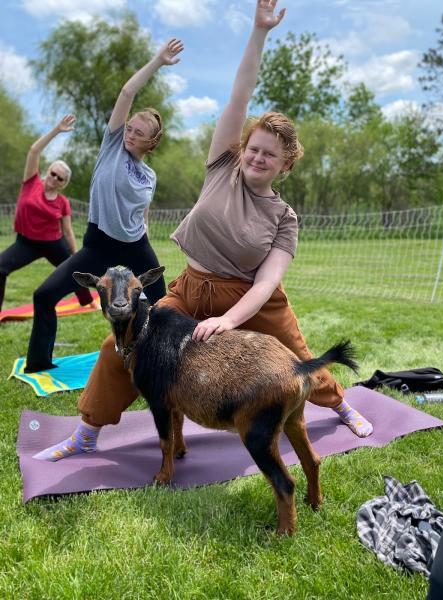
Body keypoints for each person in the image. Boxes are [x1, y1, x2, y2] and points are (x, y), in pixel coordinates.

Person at [34, 0, 372, 462]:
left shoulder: (285, 218)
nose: (256, 158)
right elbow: (239, 96)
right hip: (192, 286)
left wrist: (228, 322)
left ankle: (341, 405)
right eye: (253, 148)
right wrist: (258, 32)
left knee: (297, 363)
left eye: (269, 155)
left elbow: (269, 281)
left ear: (285, 164)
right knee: (119, 347)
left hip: (250, 299)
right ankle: (87, 434)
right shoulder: (222, 165)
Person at [24, 37, 184, 373]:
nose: (131, 134)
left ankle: (172, 361)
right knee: (44, 295)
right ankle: (39, 363)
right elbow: (127, 93)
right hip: (99, 245)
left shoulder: (149, 175)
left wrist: (145, 231)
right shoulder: (112, 146)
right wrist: (157, 61)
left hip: (136, 247)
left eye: (139, 133)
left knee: (165, 304)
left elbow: (142, 210)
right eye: (130, 128)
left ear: (152, 142)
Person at [0, 115, 96, 314]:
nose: (54, 178)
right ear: (47, 171)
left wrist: (76, 254)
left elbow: (68, 231)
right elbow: (34, 150)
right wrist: (57, 130)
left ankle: (87, 301)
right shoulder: (31, 182)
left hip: (53, 244)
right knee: (0, 268)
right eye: (53, 173)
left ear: (63, 183)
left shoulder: (63, 202)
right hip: (26, 243)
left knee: (74, 270)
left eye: (59, 178)